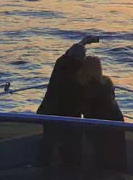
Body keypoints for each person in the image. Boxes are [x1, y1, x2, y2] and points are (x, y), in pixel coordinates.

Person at [37, 36, 99, 167]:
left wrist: (83, 42)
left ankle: (43, 167)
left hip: (48, 112)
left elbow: (69, 54)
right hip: (68, 117)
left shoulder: (60, 64)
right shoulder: (80, 75)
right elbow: (83, 103)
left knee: (48, 144)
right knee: (71, 148)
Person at [78, 55, 127, 172]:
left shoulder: (86, 86)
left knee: (101, 151)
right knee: (118, 150)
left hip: (99, 122)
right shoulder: (107, 81)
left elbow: (85, 108)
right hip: (116, 118)